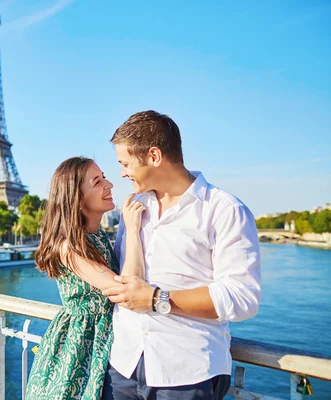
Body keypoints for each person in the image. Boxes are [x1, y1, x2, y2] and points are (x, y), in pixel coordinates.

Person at [101, 111, 261, 400]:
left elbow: (242, 298)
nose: (122, 173)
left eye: (125, 163)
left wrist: (156, 299)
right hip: (123, 365)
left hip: (186, 373)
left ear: (153, 156)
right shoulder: (133, 208)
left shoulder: (225, 211)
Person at [26, 156, 147, 399]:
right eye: (98, 181)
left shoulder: (98, 236)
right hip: (79, 348)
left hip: (102, 343)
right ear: (79, 199)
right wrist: (133, 230)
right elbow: (126, 289)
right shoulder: (68, 247)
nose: (109, 184)